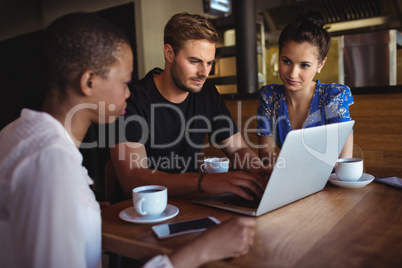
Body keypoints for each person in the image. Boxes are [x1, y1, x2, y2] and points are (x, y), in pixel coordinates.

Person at [0, 12, 256, 268]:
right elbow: (130, 175)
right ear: (89, 81)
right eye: (124, 81)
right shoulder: (52, 166)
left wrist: (84, 209)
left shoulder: (17, 134)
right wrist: (200, 251)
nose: (127, 92)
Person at [110, 12, 270, 202]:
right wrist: (205, 181)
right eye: (194, 61)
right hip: (140, 212)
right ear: (169, 53)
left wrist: (261, 171)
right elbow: (133, 179)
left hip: (189, 203)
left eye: (209, 63)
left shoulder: (208, 93)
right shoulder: (130, 100)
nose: (204, 73)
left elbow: (238, 150)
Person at [256, 10, 354, 162]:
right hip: (285, 181)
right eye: (286, 61)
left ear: (320, 64)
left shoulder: (334, 97)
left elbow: (343, 164)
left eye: (304, 65)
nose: (293, 74)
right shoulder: (269, 97)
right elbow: (267, 159)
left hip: (328, 183)